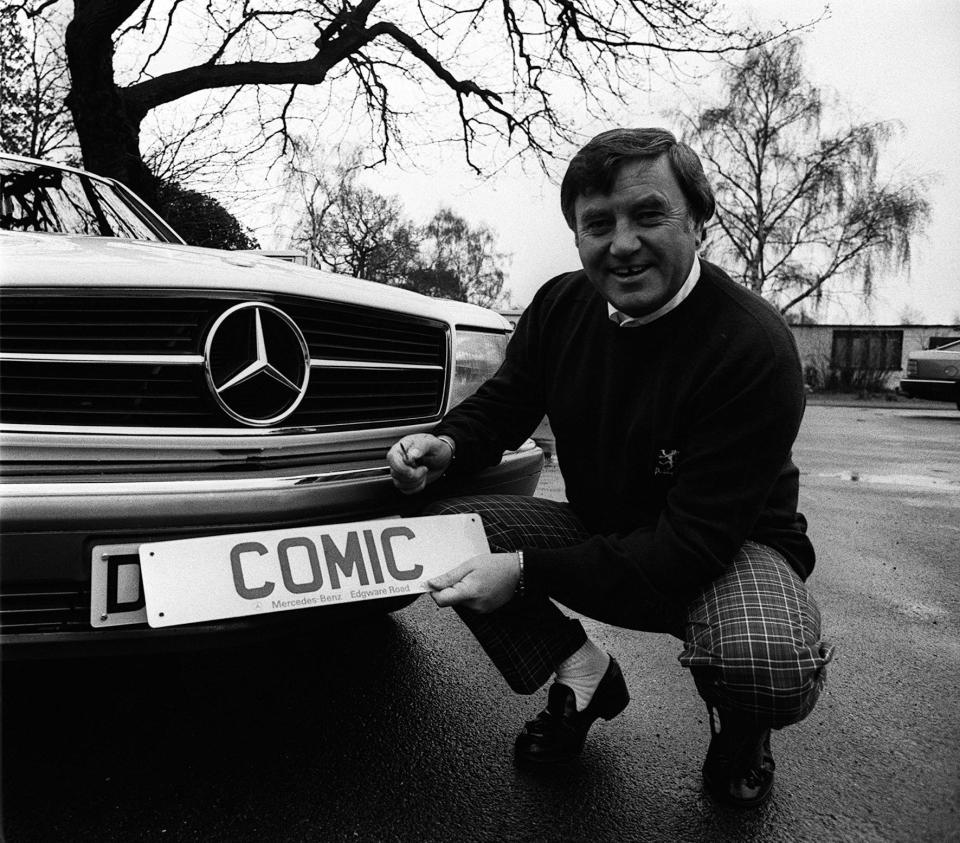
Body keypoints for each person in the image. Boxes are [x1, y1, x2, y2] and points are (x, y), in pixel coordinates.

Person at [386, 127, 833, 809]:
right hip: (601, 528)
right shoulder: (561, 306)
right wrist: (445, 446)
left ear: (698, 218)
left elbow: (689, 548)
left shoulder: (753, 345)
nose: (622, 243)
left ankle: (745, 724)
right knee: (442, 530)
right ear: (577, 236)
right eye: (598, 223)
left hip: (726, 551)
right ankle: (582, 671)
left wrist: (529, 571)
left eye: (647, 214)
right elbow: (504, 405)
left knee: (763, 661)